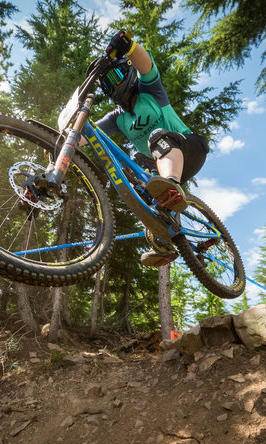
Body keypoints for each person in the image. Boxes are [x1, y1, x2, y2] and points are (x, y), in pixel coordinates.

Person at [94, 30, 210, 267]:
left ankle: (171, 185)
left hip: (190, 148)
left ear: (127, 72)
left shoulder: (150, 90)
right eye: (107, 85)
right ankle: (165, 242)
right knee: (137, 183)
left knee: (156, 138)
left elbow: (146, 65)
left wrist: (129, 46)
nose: (114, 85)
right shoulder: (117, 118)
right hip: (164, 164)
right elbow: (87, 133)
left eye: (116, 76)